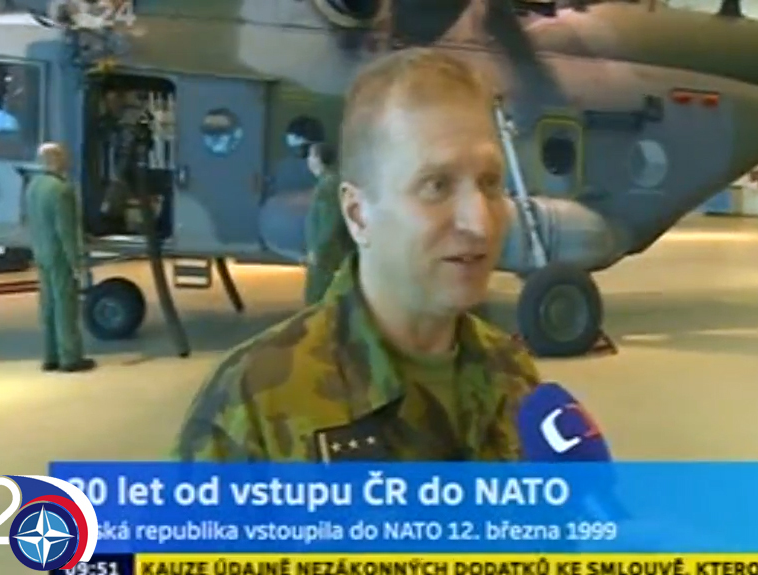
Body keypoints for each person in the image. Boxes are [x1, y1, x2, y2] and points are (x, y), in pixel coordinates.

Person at [173, 48, 540, 462]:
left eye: (490, 183)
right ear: (358, 215)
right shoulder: (255, 403)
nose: (481, 223)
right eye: (436, 185)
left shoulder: (515, 377)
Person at [25, 142, 96, 373]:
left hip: (41, 252)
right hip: (59, 257)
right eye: (64, 157)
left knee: (47, 305)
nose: (69, 161)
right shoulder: (62, 190)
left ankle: (50, 355)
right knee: (66, 306)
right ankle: (70, 357)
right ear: (55, 160)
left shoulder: (33, 186)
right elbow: (66, 232)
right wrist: (77, 262)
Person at [303, 142, 352, 305]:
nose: (308, 160)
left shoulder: (328, 185)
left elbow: (328, 223)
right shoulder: (331, 181)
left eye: (311, 155)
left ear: (318, 159)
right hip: (328, 256)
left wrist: (319, 252)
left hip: (326, 259)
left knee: (318, 302)